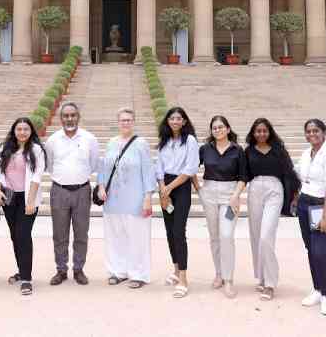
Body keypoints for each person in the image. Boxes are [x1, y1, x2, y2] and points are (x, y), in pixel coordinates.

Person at [97, 108, 155, 289]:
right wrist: (100, 186)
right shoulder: (111, 143)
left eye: (129, 120)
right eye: (123, 120)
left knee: (137, 237)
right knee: (115, 236)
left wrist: (147, 196)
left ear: (134, 121)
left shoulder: (141, 144)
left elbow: (148, 170)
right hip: (113, 198)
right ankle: (117, 271)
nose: (126, 123)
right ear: (118, 122)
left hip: (135, 198)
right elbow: (104, 167)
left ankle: (138, 274)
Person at [244, 117, 300, 301]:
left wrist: (295, 194)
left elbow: (290, 172)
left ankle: (270, 283)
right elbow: (244, 175)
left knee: (266, 236)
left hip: (274, 190)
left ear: (270, 132)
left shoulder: (279, 150)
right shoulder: (248, 151)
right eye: (258, 131)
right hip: (254, 190)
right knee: (255, 236)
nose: (261, 134)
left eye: (264, 130)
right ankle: (261, 277)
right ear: (253, 133)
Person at [45, 101, 100, 286]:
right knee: (59, 234)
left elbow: (93, 165)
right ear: (60, 118)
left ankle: (78, 269)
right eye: (66, 116)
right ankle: (61, 269)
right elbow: (50, 165)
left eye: (73, 115)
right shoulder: (52, 140)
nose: (69, 119)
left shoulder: (89, 139)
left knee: (81, 233)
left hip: (82, 191)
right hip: (59, 191)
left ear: (78, 117)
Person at [293, 118, 326, 316]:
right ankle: (317, 289)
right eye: (308, 131)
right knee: (310, 249)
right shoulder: (307, 153)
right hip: (305, 204)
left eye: (315, 131)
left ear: (324, 132)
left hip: (323, 205)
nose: (312, 134)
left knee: (320, 252)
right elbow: (300, 176)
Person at [196, 115, 248, 299]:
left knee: (226, 235)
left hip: (229, 196)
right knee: (214, 236)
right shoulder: (205, 149)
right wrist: (199, 189)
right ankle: (218, 274)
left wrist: (235, 196)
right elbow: (192, 168)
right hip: (209, 193)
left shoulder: (237, 150)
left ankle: (229, 280)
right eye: (214, 128)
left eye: (220, 127)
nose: (217, 130)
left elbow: (243, 177)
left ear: (227, 128)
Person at [0, 117, 46, 296]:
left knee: (23, 236)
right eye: (19, 129)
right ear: (14, 131)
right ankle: (21, 270)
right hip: (8, 197)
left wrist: (30, 201)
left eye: (26, 129)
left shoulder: (37, 150)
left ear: (31, 131)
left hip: (27, 197)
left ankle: (26, 279)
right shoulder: (5, 148)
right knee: (15, 236)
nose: (22, 132)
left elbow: (37, 176)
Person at [155, 107, 200, 298]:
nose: (174, 121)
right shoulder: (163, 142)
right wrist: (162, 188)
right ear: (167, 121)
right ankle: (175, 270)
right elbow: (158, 167)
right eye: (171, 118)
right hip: (165, 186)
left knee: (179, 231)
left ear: (184, 121)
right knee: (169, 231)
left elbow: (190, 169)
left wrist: (170, 187)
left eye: (178, 118)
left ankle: (183, 277)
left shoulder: (189, 140)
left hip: (180, 187)